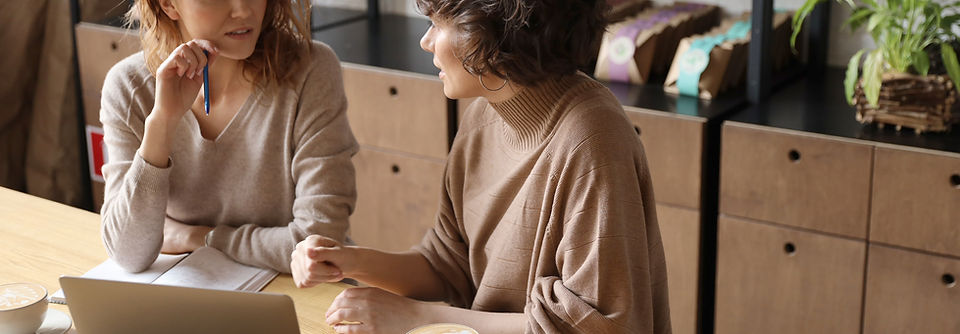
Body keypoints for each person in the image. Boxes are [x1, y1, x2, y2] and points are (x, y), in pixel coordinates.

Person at [291, 0, 671, 332]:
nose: (426, 42)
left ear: (497, 31)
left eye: (440, 24)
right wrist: (347, 262)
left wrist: (417, 318)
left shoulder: (593, 140)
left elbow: (593, 327)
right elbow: (448, 265)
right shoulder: (482, 118)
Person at [99, 0, 358, 273]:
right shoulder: (129, 87)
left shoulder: (310, 70)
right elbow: (127, 253)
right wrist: (162, 121)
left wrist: (197, 237)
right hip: (191, 299)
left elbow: (318, 246)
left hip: (301, 297)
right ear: (167, 4)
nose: (244, 10)